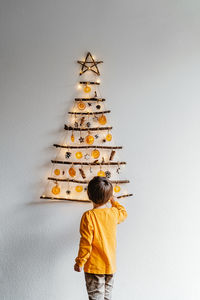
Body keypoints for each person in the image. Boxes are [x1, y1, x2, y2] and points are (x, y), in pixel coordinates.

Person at [74, 176, 127, 300]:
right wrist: (114, 201)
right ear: (109, 197)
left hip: (94, 267)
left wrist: (80, 261)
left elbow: (86, 242)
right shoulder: (113, 213)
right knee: (107, 298)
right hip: (110, 266)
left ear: (89, 195)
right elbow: (124, 213)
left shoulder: (89, 216)